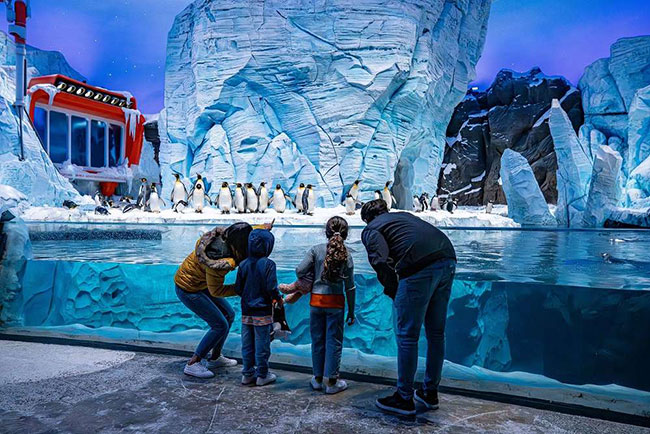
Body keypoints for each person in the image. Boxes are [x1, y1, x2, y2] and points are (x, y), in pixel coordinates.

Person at [360, 199, 456, 416]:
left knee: (407, 335)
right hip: (448, 257)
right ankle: (430, 392)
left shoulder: (372, 228)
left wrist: (393, 289)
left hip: (419, 266)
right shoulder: (404, 216)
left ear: (367, 218)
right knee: (436, 333)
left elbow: (380, 260)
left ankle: (404, 397)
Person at [175, 221, 272, 379]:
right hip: (188, 288)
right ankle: (193, 362)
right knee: (219, 325)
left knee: (229, 315)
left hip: (200, 284)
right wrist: (242, 288)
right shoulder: (218, 261)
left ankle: (215, 358)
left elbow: (245, 232)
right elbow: (216, 290)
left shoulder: (229, 236)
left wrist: (262, 227)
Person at [280, 216, 356, 394]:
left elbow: (299, 270)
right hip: (336, 303)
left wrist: (310, 276)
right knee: (334, 342)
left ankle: (317, 378)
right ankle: (332, 382)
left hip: (316, 301)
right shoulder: (347, 254)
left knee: (318, 340)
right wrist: (351, 311)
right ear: (345, 234)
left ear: (326, 232)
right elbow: (350, 286)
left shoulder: (315, 250)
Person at [234, 229, 282, 386]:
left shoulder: (243, 264)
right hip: (262, 311)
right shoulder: (269, 264)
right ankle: (262, 374)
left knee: (247, 344)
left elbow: (238, 288)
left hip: (246, 311)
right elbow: (271, 287)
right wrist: (277, 299)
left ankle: (247, 374)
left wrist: (249, 297)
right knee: (262, 344)